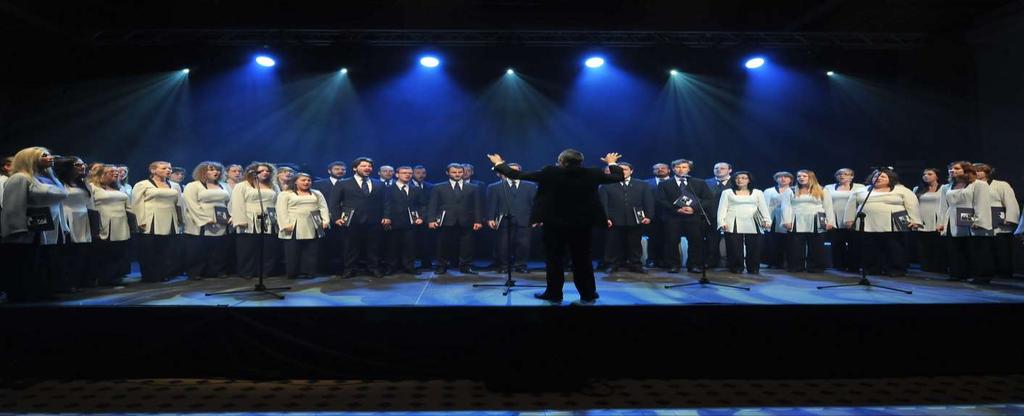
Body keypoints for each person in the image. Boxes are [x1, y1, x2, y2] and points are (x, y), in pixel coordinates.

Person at [487, 149, 624, 303]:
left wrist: (499, 162)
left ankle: (554, 294)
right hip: (582, 224)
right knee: (583, 259)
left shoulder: (549, 172)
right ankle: (588, 294)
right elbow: (619, 177)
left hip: (554, 224)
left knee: (554, 260)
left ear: (561, 161)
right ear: (580, 162)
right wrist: (611, 162)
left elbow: (516, 175)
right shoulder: (592, 173)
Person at [1, 147, 69, 301]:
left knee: (40, 262)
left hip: (43, 227)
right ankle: (21, 294)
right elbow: (13, 206)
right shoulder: (20, 178)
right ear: (30, 158)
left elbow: (62, 194)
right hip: (25, 230)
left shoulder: (45, 178)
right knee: (24, 263)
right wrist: (17, 229)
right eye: (45, 155)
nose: (50, 157)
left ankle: (39, 290)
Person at [844, 168, 921, 277]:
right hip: (868, 223)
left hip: (893, 224)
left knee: (894, 247)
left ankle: (895, 269)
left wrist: (915, 220)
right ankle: (872, 269)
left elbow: (912, 205)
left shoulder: (902, 190)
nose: (878, 178)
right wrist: (849, 219)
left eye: (882, 176)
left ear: (890, 178)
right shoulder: (861, 191)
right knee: (870, 247)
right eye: (876, 176)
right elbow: (850, 206)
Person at [329, 157, 390, 278]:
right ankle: (349, 269)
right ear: (355, 168)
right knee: (350, 246)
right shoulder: (343, 183)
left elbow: (386, 202)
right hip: (351, 220)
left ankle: (373, 267)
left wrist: (386, 216)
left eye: (369, 166)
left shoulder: (379, 184)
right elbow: (334, 202)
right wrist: (336, 218)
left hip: (374, 220)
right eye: (363, 166)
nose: (367, 168)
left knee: (373, 246)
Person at [937, 161, 994, 283]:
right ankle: (958, 274)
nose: (952, 171)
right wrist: (941, 222)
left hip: (971, 219)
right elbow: (943, 206)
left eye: (956, 168)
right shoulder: (947, 187)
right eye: (951, 169)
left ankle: (981, 276)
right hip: (952, 219)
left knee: (976, 248)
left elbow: (981, 203)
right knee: (956, 248)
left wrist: (979, 220)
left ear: (967, 170)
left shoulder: (979, 185)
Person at [657, 159, 715, 274]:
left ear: (689, 169)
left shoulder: (699, 182)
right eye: (678, 167)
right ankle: (673, 265)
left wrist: (694, 208)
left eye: (684, 167)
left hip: (693, 217)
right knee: (672, 242)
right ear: (673, 169)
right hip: (673, 217)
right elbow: (661, 200)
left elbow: (708, 199)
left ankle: (694, 265)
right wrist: (676, 209)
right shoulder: (665, 184)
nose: (681, 169)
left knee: (695, 242)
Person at [131, 161, 185, 283]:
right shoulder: (142, 184)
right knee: (150, 249)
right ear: (153, 170)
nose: (168, 170)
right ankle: (150, 275)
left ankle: (164, 273)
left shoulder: (174, 186)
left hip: (170, 218)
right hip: (151, 219)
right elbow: (136, 203)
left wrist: (181, 219)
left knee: (167, 248)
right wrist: (140, 220)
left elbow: (180, 204)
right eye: (164, 168)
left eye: (169, 168)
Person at [427, 163, 483, 275]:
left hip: (466, 220)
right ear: (447, 173)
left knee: (467, 245)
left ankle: (465, 266)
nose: (457, 174)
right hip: (446, 220)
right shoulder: (438, 187)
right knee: (443, 244)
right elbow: (433, 204)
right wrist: (431, 220)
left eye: (460, 172)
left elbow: (477, 205)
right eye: (454, 172)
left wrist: (478, 220)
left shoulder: (473, 187)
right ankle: (442, 265)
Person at [598, 162, 654, 274]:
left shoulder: (642, 184)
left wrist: (649, 216)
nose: (623, 172)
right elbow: (603, 203)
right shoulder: (606, 185)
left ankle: (635, 264)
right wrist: (605, 218)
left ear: (631, 171)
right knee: (612, 243)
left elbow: (648, 202)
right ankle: (612, 264)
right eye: (620, 170)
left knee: (635, 244)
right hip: (614, 220)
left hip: (635, 219)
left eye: (625, 169)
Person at [229, 162, 281, 279]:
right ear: (253, 172)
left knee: (268, 247)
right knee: (248, 248)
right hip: (249, 218)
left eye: (267, 171)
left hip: (269, 217)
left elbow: (278, 203)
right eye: (262, 171)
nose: (265, 173)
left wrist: (278, 219)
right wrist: (240, 220)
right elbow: (237, 203)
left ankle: (265, 271)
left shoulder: (274, 186)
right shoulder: (242, 185)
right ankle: (247, 271)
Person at [182, 161, 231, 279]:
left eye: (218, 170)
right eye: (212, 169)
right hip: (199, 220)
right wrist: (205, 219)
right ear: (203, 172)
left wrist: (231, 216)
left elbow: (230, 202)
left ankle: (217, 270)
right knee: (198, 248)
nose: (216, 172)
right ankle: (196, 272)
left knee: (218, 247)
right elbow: (191, 204)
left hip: (220, 219)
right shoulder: (193, 185)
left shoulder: (224, 185)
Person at [486, 163, 538, 274]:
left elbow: (535, 204)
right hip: (503, 220)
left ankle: (520, 265)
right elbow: (491, 204)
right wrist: (490, 218)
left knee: (523, 244)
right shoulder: (495, 187)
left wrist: (536, 218)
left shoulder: (530, 186)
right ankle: (504, 266)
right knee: (503, 244)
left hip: (525, 219)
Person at [276, 172, 330, 279]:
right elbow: (281, 210)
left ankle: (309, 271)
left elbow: (323, 207)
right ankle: (293, 272)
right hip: (294, 224)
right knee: (293, 250)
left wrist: (325, 221)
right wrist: (285, 224)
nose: (306, 182)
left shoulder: (316, 193)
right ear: (296, 181)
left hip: (313, 223)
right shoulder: (286, 194)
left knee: (311, 249)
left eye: (308, 180)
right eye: (303, 180)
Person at [54, 156, 96, 290]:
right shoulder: (59, 182)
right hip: (66, 216)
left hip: (82, 217)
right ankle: (66, 282)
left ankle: (79, 280)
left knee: (82, 251)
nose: (83, 166)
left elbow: (90, 203)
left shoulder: (83, 183)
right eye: (78, 165)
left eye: (83, 164)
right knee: (68, 251)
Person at [717, 171, 770, 274]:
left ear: (749, 180)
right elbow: (722, 208)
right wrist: (721, 222)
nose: (740, 180)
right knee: (734, 247)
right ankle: (736, 267)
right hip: (733, 221)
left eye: (743, 178)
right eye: (737, 178)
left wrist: (767, 220)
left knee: (754, 247)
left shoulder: (758, 192)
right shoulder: (727, 192)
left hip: (753, 221)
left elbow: (763, 208)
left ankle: (753, 267)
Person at [782, 170, 835, 273]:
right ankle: (796, 266)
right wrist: (786, 221)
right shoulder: (791, 190)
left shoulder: (822, 190)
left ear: (811, 177)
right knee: (795, 245)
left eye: (804, 176)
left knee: (817, 245)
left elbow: (828, 207)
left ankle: (816, 267)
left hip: (817, 219)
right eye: (799, 176)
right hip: (797, 219)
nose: (801, 178)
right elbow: (786, 207)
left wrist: (830, 221)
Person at [88, 164, 132, 286]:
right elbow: (90, 207)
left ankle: (114, 277)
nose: (116, 173)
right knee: (105, 252)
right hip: (104, 222)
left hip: (121, 222)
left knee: (118, 251)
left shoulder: (120, 188)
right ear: (101, 174)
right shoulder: (92, 187)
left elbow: (129, 207)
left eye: (117, 171)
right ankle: (104, 279)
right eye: (111, 171)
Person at [973, 163, 1019, 280]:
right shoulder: (971, 185)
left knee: (1001, 248)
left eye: (980, 170)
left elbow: (1010, 201)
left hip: (999, 220)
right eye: (975, 171)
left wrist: (1010, 218)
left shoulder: (1001, 185)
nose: (977, 173)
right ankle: (986, 272)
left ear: (987, 172)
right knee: (984, 249)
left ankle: (1004, 273)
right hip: (980, 220)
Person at [383, 166, 425, 275]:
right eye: (404, 173)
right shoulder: (388, 189)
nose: (407, 175)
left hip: (411, 222)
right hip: (393, 222)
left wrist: (421, 217)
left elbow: (422, 205)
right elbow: (386, 204)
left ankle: (409, 267)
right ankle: (391, 267)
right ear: (397, 174)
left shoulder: (416, 189)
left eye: (410, 173)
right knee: (392, 246)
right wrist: (386, 217)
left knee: (410, 246)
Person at [825, 168, 866, 272]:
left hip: (853, 220)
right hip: (836, 219)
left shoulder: (860, 187)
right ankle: (840, 266)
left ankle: (854, 266)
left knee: (855, 244)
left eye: (846, 174)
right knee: (837, 244)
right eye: (839, 174)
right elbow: (826, 204)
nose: (842, 176)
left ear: (852, 176)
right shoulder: (829, 187)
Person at [313, 161, 348, 275]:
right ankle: (324, 269)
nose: (340, 171)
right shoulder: (318, 184)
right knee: (325, 245)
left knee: (343, 244)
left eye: (342, 169)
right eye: (337, 169)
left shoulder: (350, 183)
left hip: (344, 219)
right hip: (324, 219)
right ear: (329, 171)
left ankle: (342, 269)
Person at [912, 168, 946, 273]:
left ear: (937, 176)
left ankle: (939, 266)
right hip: (922, 219)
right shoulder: (917, 189)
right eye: (924, 174)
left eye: (930, 174)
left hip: (937, 219)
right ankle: (925, 266)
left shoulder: (944, 188)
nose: (926, 176)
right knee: (923, 244)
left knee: (937, 244)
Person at [762, 171, 794, 270]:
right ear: (776, 179)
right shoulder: (769, 191)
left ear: (791, 180)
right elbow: (764, 206)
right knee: (773, 242)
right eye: (780, 177)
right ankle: (774, 262)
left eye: (786, 177)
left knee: (789, 241)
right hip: (773, 218)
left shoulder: (794, 190)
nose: (783, 179)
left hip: (789, 218)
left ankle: (788, 262)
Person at [704, 162, 733, 269]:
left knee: (732, 241)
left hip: (731, 216)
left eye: (722, 168)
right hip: (711, 216)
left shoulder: (736, 182)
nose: (719, 170)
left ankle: (732, 263)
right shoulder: (706, 182)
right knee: (712, 241)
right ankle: (712, 262)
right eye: (716, 168)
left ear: (729, 170)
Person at [644, 163, 671, 268]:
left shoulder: (676, 182)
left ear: (669, 170)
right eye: (657, 169)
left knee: (670, 239)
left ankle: (667, 260)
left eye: (663, 168)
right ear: (653, 171)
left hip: (671, 215)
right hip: (652, 215)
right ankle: (652, 259)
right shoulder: (646, 183)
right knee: (653, 238)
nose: (660, 170)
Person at [411, 165, 435, 270]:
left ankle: (427, 263)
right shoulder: (407, 185)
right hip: (411, 218)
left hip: (426, 218)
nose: (421, 175)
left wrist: (425, 217)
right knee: (411, 242)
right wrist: (416, 217)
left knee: (426, 242)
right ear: (412, 173)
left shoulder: (431, 186)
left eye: (423, 173)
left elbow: (432, 203)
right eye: (418, 173)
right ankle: (410, 264)